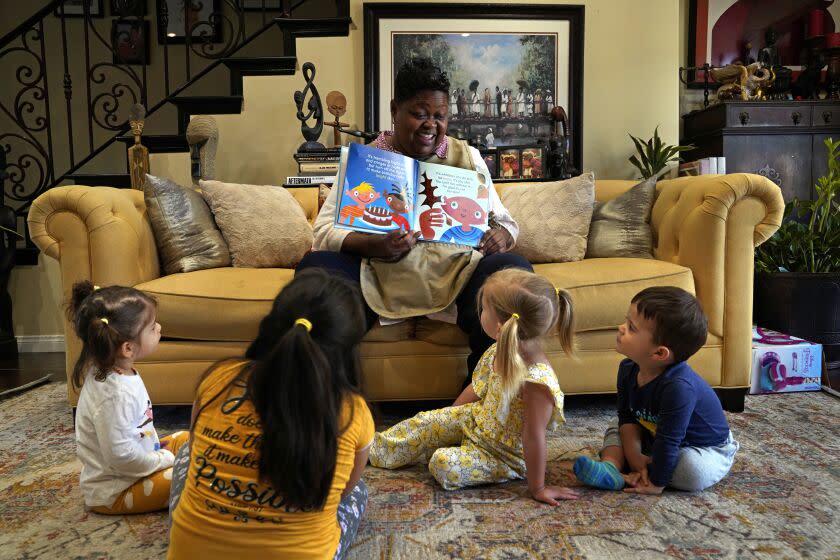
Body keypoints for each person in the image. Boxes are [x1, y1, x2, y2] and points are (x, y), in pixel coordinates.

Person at [300, 57, 531, 382]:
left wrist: (500, 236)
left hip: (458, 275)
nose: (430, 125)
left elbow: (506, 224)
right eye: (419, 114)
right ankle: (333, 402)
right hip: (377, 273)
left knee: (513, 270)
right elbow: (322, 233)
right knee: (315, 271)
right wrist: (374, 244)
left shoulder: (467, 157)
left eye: (439, 116)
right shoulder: (364, 159)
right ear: (395, 110)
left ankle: (479, 400)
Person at [168, 269, 374, 559]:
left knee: (187, 453)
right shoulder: (353, 412)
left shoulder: (217, 380)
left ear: (272, 325)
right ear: (347, 349)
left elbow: (195, 441)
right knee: (358, 490)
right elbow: (342, 492)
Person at [369, 269, 580, 505]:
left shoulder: (536, 381)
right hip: (477, 421)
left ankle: (463, 454)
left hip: (503, 455)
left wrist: (538, 487)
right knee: (425, 421)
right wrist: (448, 421)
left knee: (442, 463)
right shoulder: (499, 348)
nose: (479, 314)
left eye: (484, 309)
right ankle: (374, 450)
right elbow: (477, 387)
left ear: (501, 323)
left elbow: (534, 435)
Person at [573, 287, 739, 494]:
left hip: (703, 447)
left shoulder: (678, 388)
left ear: (659, 353)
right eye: (626, 321)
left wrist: (656, 483)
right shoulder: (627, 369)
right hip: (655, 433)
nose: (621, 328)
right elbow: (626, 416)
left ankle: (651, 471)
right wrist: (635, 459)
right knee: (618, 425)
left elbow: (669, 440)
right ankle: (611, 468)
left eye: (631, 328)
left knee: (692, 471)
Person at [68, 281, 188, 514]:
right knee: (190, 477)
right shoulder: (114, 395)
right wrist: (164, 460)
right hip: (117, 491)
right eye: (153, 327)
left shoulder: (116, 370)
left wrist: (162, 456)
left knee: (187, 438)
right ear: (128, 348)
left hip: (135, 467)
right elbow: (121, 457)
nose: (159, 328)